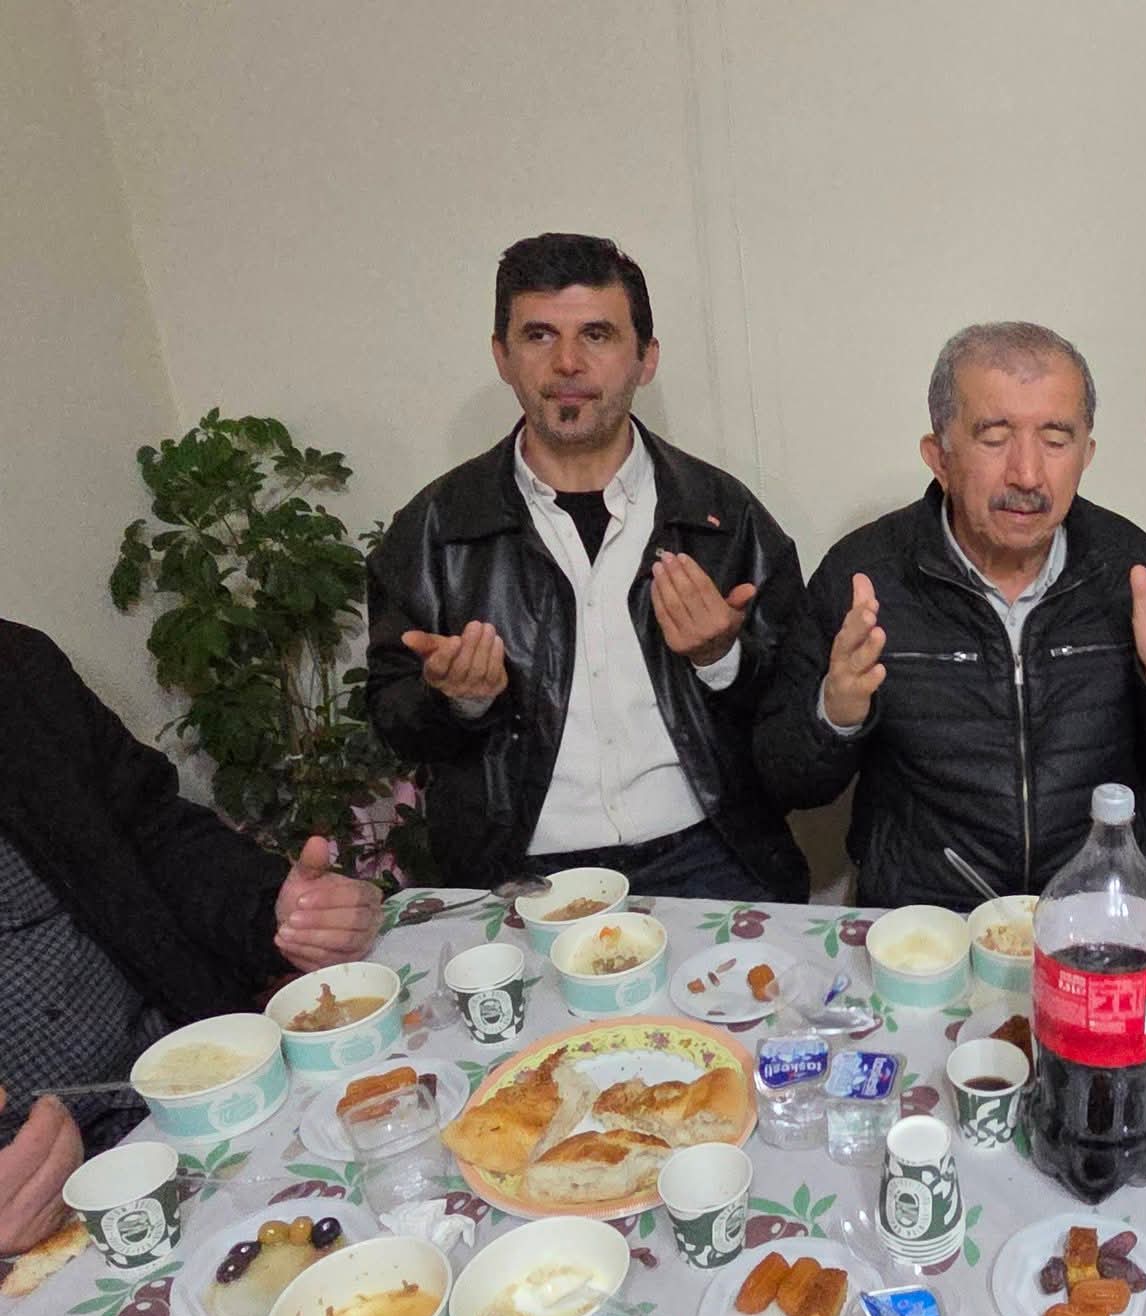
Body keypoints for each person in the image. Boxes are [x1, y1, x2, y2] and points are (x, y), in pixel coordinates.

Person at [367, 233, 807, 900]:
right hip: (520, 871)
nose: (567, 362)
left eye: (597, 335)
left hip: (709, 854)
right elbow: (392, 717)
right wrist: (455, 700)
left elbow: (797, 715)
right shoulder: (435, 529)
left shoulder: (722, 515)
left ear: (646, 358)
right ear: (502, 357)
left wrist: (723, 658)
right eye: (539, 335)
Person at [753, 322, 1146, 907]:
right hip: (927, 919)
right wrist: (835, 716)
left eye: (1056, 440)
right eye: (995, 438)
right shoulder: (865, 577)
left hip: (1095, 911)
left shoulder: (1133, 572)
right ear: (939, 457)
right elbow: (785, 779)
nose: (1027, 475)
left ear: (1086, 455)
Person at [0, 622, 380, 1254]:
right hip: (28, 1223)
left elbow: (150, 830)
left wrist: (272, 907)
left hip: (189, 1100)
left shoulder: (14, 666)